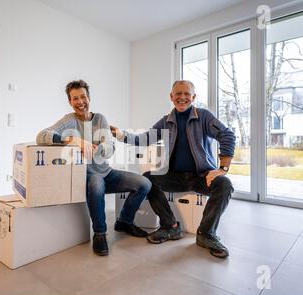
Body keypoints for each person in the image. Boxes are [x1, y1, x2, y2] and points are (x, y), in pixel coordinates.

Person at [110, 80, 236, 258]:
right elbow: (145, 139)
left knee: (225, 184)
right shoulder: (166, 121)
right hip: (174, 176)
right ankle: (170, 226)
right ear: (171, 97)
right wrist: (121, 134)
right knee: (148, 179)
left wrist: (222, 168)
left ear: (193, 97)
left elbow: (227, 135)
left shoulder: (204, 116)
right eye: (178, 94)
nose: (182, 97)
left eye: (187, 94)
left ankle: (206, 234)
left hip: (201, 176)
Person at [37, 80, 152, 256]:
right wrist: (72, 140)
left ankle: (124, 221)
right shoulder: (69, 121)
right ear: (70, 102)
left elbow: (111, 148)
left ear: (89, 98)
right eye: (75, 98)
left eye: (83, 96)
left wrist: (98, 147)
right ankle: (100, 233)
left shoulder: (100, 119)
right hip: (88, 175)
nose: (80, 101)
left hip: (107, 172)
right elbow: (42, 136)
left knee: (144, 183)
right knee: (96, 184)